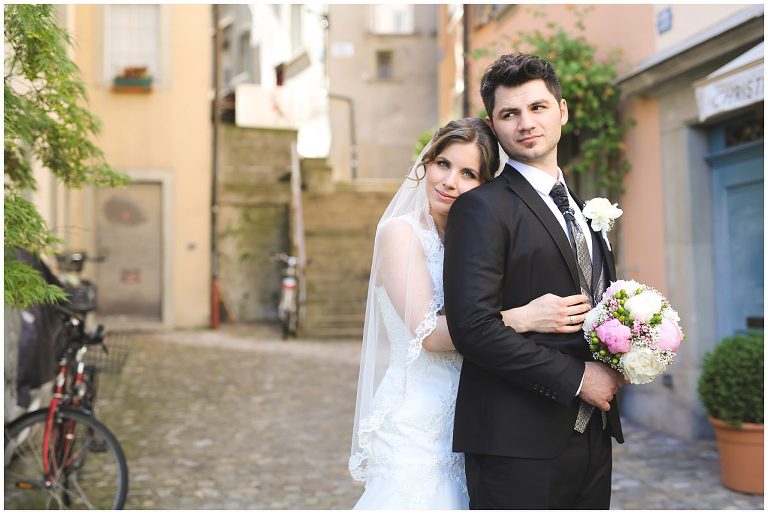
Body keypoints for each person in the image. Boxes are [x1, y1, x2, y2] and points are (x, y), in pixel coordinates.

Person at [349, 117, 593, 509]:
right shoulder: (400, 233)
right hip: (422, 417)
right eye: (443, 164)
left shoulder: (481, 237)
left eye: (468, 174)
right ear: (426, 164)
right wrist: (524, 317)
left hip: (482, 412)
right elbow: (429, 337)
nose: (449, 181)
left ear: (484, 186)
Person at [443, 54, 626, 509]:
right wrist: (578, 378)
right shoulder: (482, 208)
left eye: (537, 108)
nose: (526, 122)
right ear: (494, 124)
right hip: (515, 444)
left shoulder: (587, 211)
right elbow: (472, 328)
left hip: (592, 439)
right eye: (510, 113)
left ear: (561, 111)